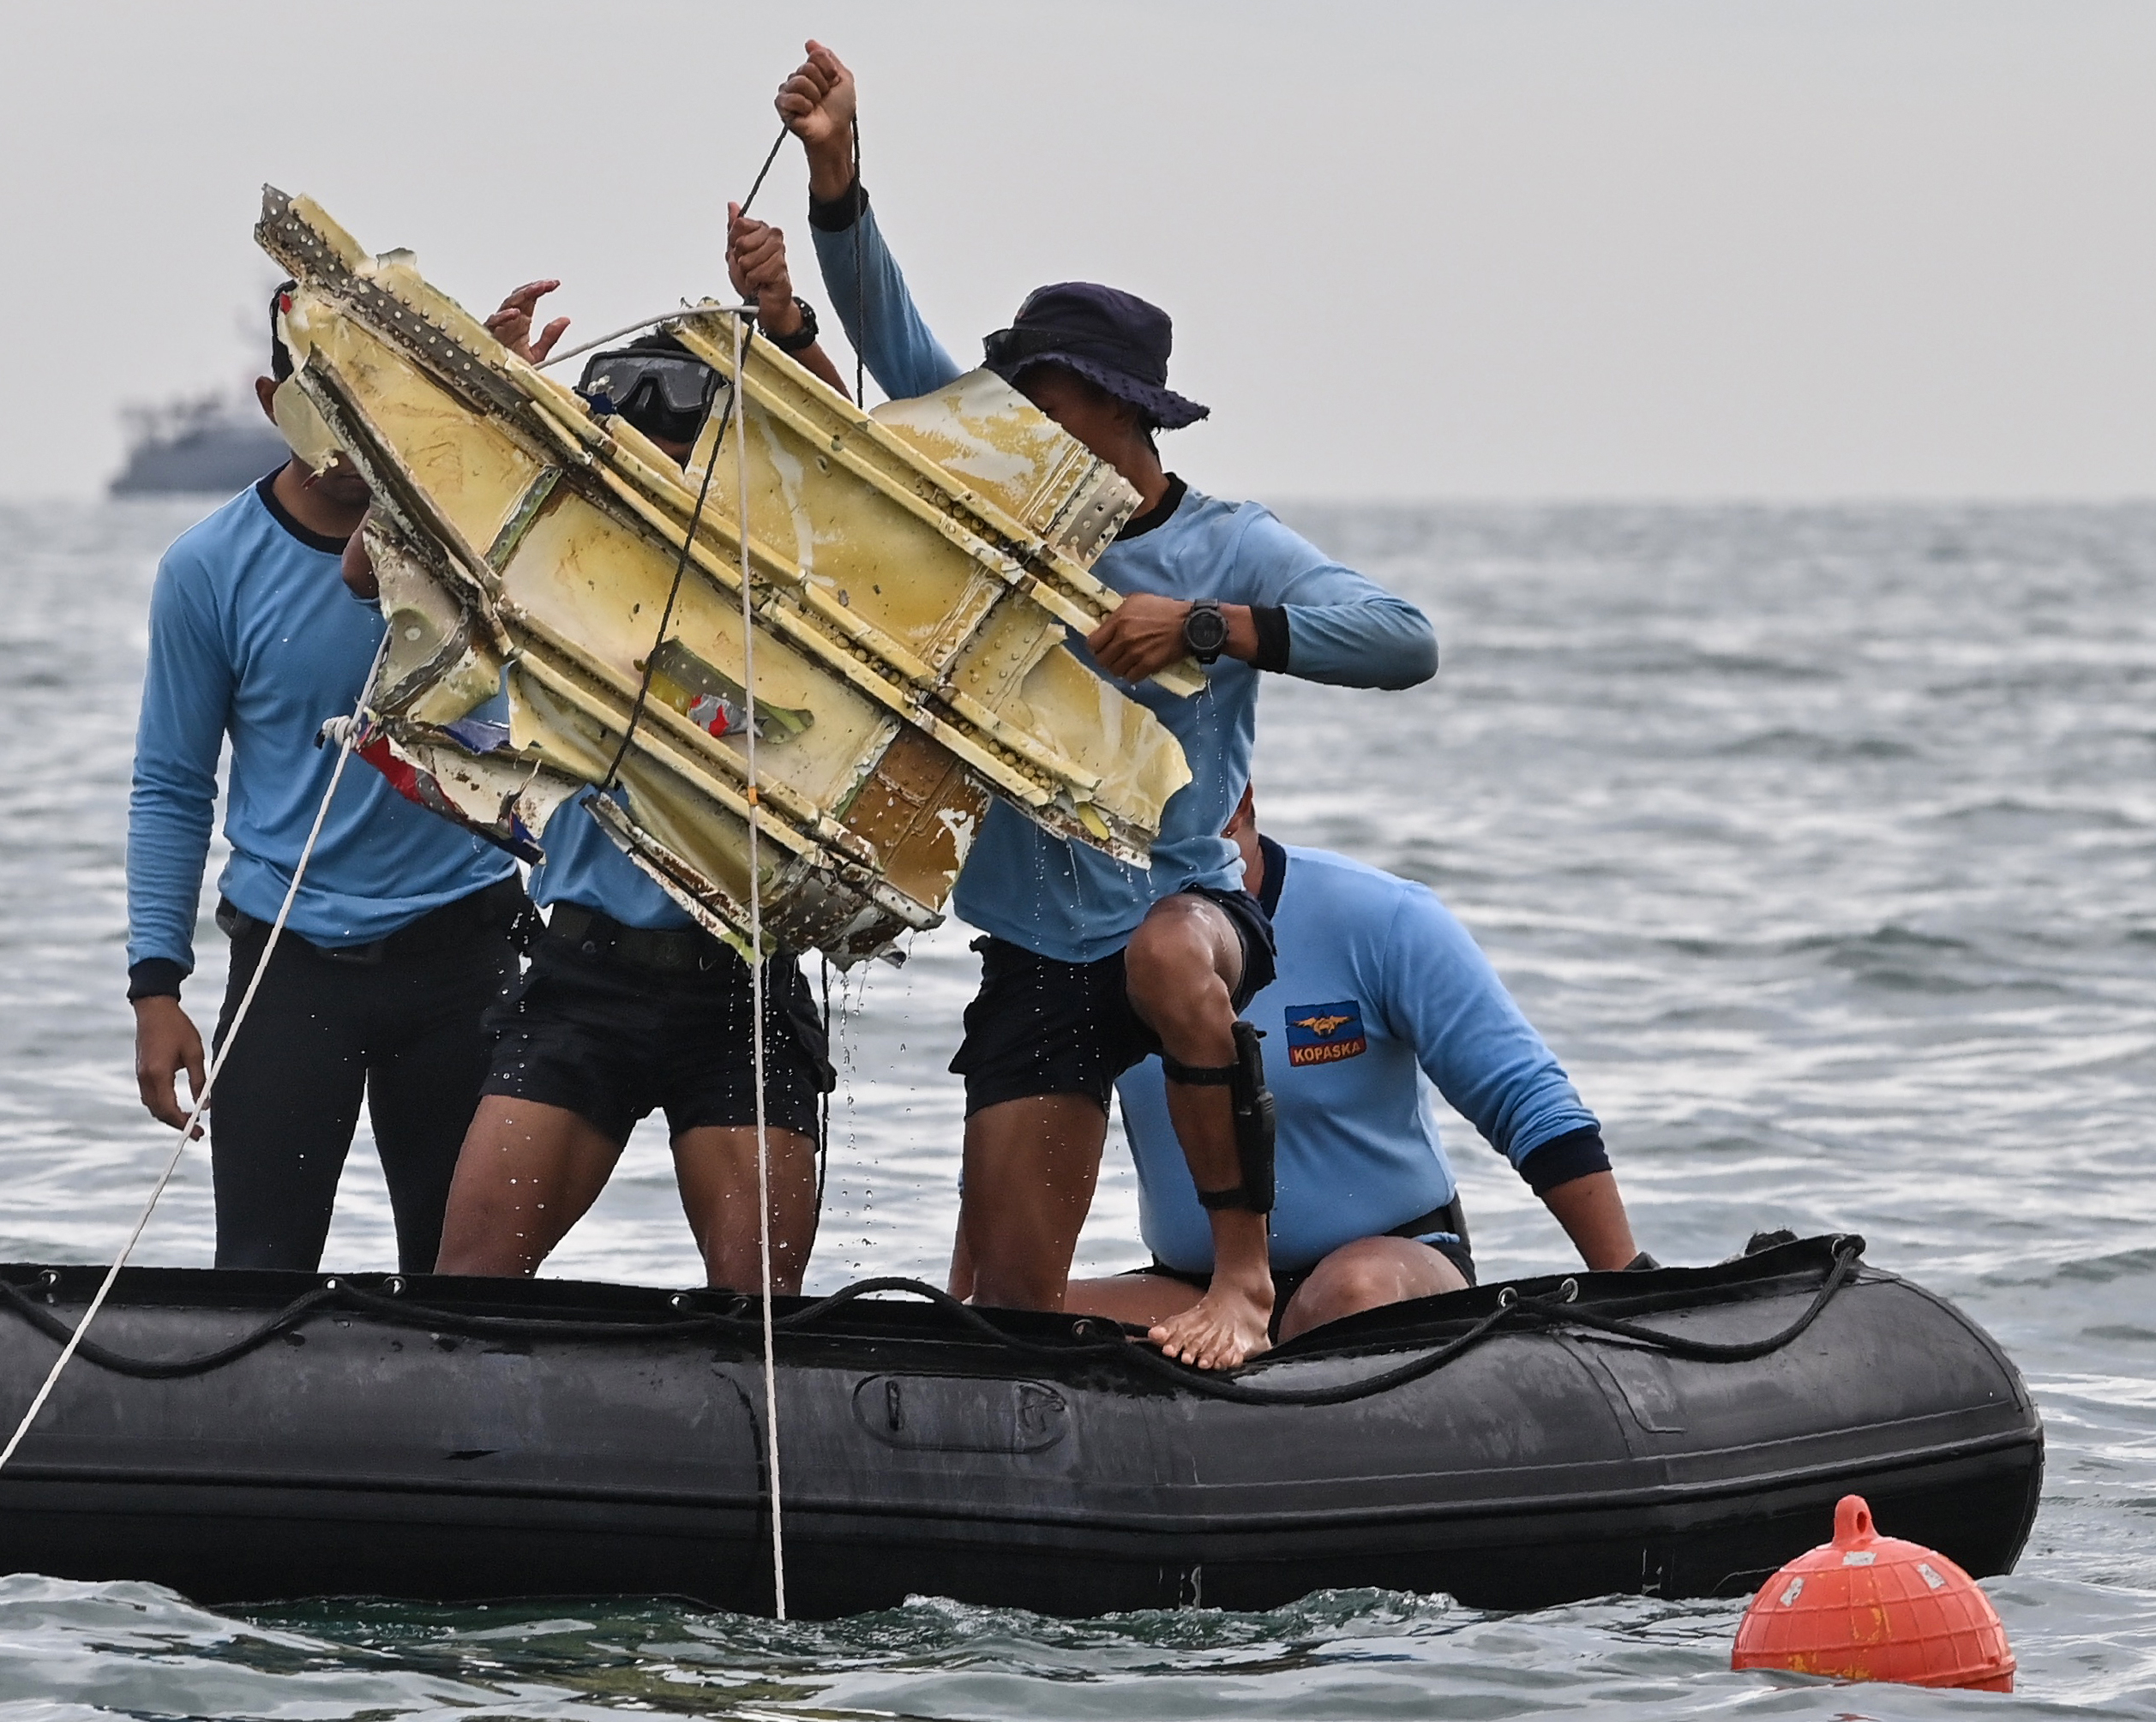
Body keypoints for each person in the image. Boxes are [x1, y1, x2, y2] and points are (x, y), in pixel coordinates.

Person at [777, 42, 1438, 1367]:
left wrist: (1202, 626)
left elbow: (1402, 640)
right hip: (1033, 947)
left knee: (1165, 960)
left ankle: (1243, 1278)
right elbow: (895, 345)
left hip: (1185, 906)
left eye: (1041, 396)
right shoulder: (989, 506)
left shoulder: (1229, 543)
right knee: (1013, 1310)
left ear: (1112, 409)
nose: (1012, 414)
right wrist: (837, 178)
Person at [430, 207, 841, 1296]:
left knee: (761, 1306)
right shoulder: (542, 566)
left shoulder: (782, 592)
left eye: (677, 458)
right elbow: (379, 562)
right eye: (628, 459)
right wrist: (481, 396)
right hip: (585, 968)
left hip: (740, 983)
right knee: (468, 1280)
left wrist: (786, 322)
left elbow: (852, 475)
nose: (651, 480)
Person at [126, 286, 531, 1274]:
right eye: (328, 402)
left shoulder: (485, 537)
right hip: (288, 966)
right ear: (275, 402)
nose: (357, 429)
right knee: (258, 1275)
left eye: (377, 396)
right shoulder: (207, 568)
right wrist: (154, 987)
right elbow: (173, 785)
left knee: (468, 1291)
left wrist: (495, 398)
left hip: (464, 957)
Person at [1068, 790, 1649, 1347]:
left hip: (1392, 1260)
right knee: (1020, 1315)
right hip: (1195, 1287)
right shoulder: (1096, 945)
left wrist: (1630, 1287)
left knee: (1349, 1290)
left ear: (1238, 802)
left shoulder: (1380, 916)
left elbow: (1527, 1103)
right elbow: (1028, 1122)